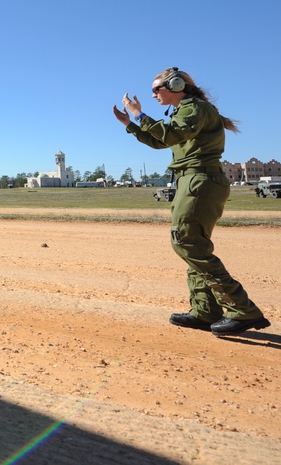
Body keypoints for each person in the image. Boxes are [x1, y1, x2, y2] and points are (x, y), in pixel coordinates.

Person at [113, 67, 270, 337]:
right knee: (191, 245)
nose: (153, 95)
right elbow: (161, 141)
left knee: (187, 242)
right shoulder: (184, 110)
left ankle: (242, 310)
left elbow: (172, 135)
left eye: (156, 89)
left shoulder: (194, 107)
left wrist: (139, 115)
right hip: (191, 180)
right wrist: (130, 125)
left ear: (176, 85)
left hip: (200, 180)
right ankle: (205, 311)